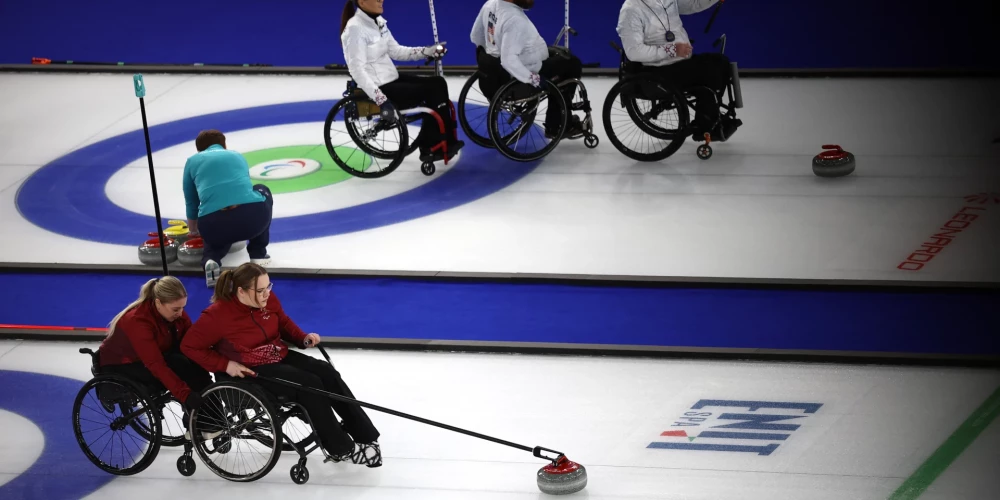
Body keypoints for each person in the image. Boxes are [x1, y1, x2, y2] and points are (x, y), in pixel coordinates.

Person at [180, 263, 383, 467]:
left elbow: (283, 322)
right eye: (260, 290)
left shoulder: (268, 299)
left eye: (269, 287)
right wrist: (225, 365)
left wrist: (302, 338)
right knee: (309, 384)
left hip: (277, 354)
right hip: (250, 368)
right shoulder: (217, 315)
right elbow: (189, 346)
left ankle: (364, 434)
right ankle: (341, 448)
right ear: (240, 291)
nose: (267, 294)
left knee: (326, 371)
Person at [340, 0, 464, 164]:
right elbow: (356, 70)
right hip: (380, 87)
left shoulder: (379, 22)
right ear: (362, 2)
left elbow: (396, 51)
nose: (381, 0)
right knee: (432, 91)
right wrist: (381, 99)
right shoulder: (355, 29)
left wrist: (427, 51)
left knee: (438, 83)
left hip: (391, 78)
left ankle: (445, 141)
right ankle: (431, 147)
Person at [616, 0, 742, 140]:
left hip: (678, 62)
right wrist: (672, 50)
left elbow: (693, 4)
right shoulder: (631, 10)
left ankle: (710, 115)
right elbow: (634, 52)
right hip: (658, 69)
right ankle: (705, 125)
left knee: (720, 62)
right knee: (708, 70)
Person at [97, 276, 212, 416]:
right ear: (158, 303)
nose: (181, 313)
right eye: (176, 309)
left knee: (194, 363)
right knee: (179, 364)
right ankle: (199, 417)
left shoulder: (174, 313)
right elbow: (156, 364)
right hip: (123, 365)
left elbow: (193, 343)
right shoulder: (137, 321)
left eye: (183, 308)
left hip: (158, 351)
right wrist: (186, 396)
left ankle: (213, 411)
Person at [471, 0, 586, 138]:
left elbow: (475, 36)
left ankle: (557, 120)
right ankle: (558, 124)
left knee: (561, 55)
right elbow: (508, 60)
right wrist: (534, 79)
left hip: (496, 74)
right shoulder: (515, 20)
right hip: (524, 72)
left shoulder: (490, 4)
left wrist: (492, 53)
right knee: (572, 65)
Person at [182, 129, 274, 288]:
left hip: (214, 223)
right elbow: (243, 188)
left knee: (214, 237)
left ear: (199, 150)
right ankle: (258, 254)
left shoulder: (192, 161)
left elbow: (192, 203)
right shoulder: (237, 156)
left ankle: (211, 260)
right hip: (252, 218)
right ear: (224, 145)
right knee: (261, 188)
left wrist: (193, 231)